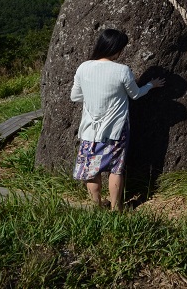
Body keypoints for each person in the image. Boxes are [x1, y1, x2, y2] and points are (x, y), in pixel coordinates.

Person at [70, 28, 165, 210]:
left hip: (90, 130)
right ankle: (116, 208)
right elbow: (135, 95)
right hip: (116, 129)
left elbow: (75, 97)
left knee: (91, 170)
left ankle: (97, 206)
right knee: (116, 168)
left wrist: (93, 95)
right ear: (116, 48)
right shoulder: (122, 70)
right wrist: (150, 85)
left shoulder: (83, 67)